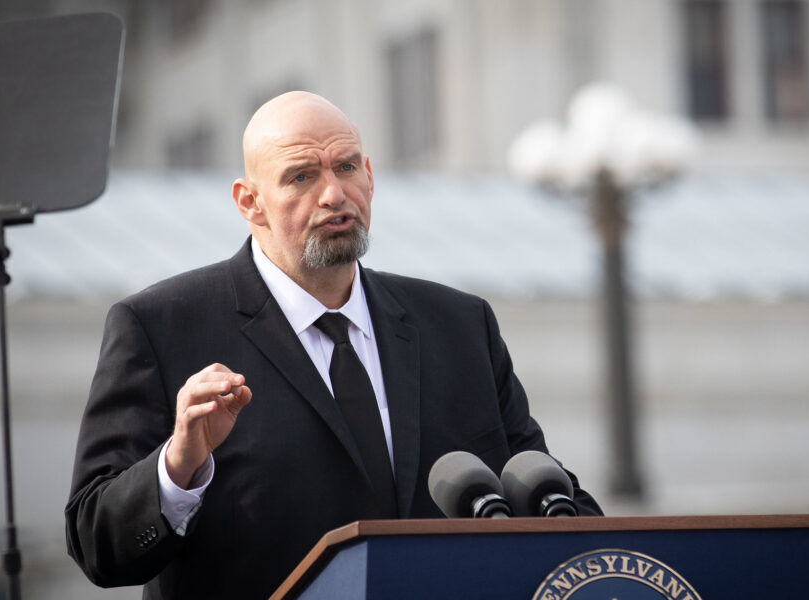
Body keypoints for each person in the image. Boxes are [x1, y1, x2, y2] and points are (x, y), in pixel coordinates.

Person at [65, 91, 601, 599]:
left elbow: (543, 490)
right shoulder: (161, 326)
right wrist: (177, 467)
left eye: (346, 167)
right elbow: (97, 544)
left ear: (369, 175)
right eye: (301, 176)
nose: (334, 194)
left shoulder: (460, 325)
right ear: (250, 203)